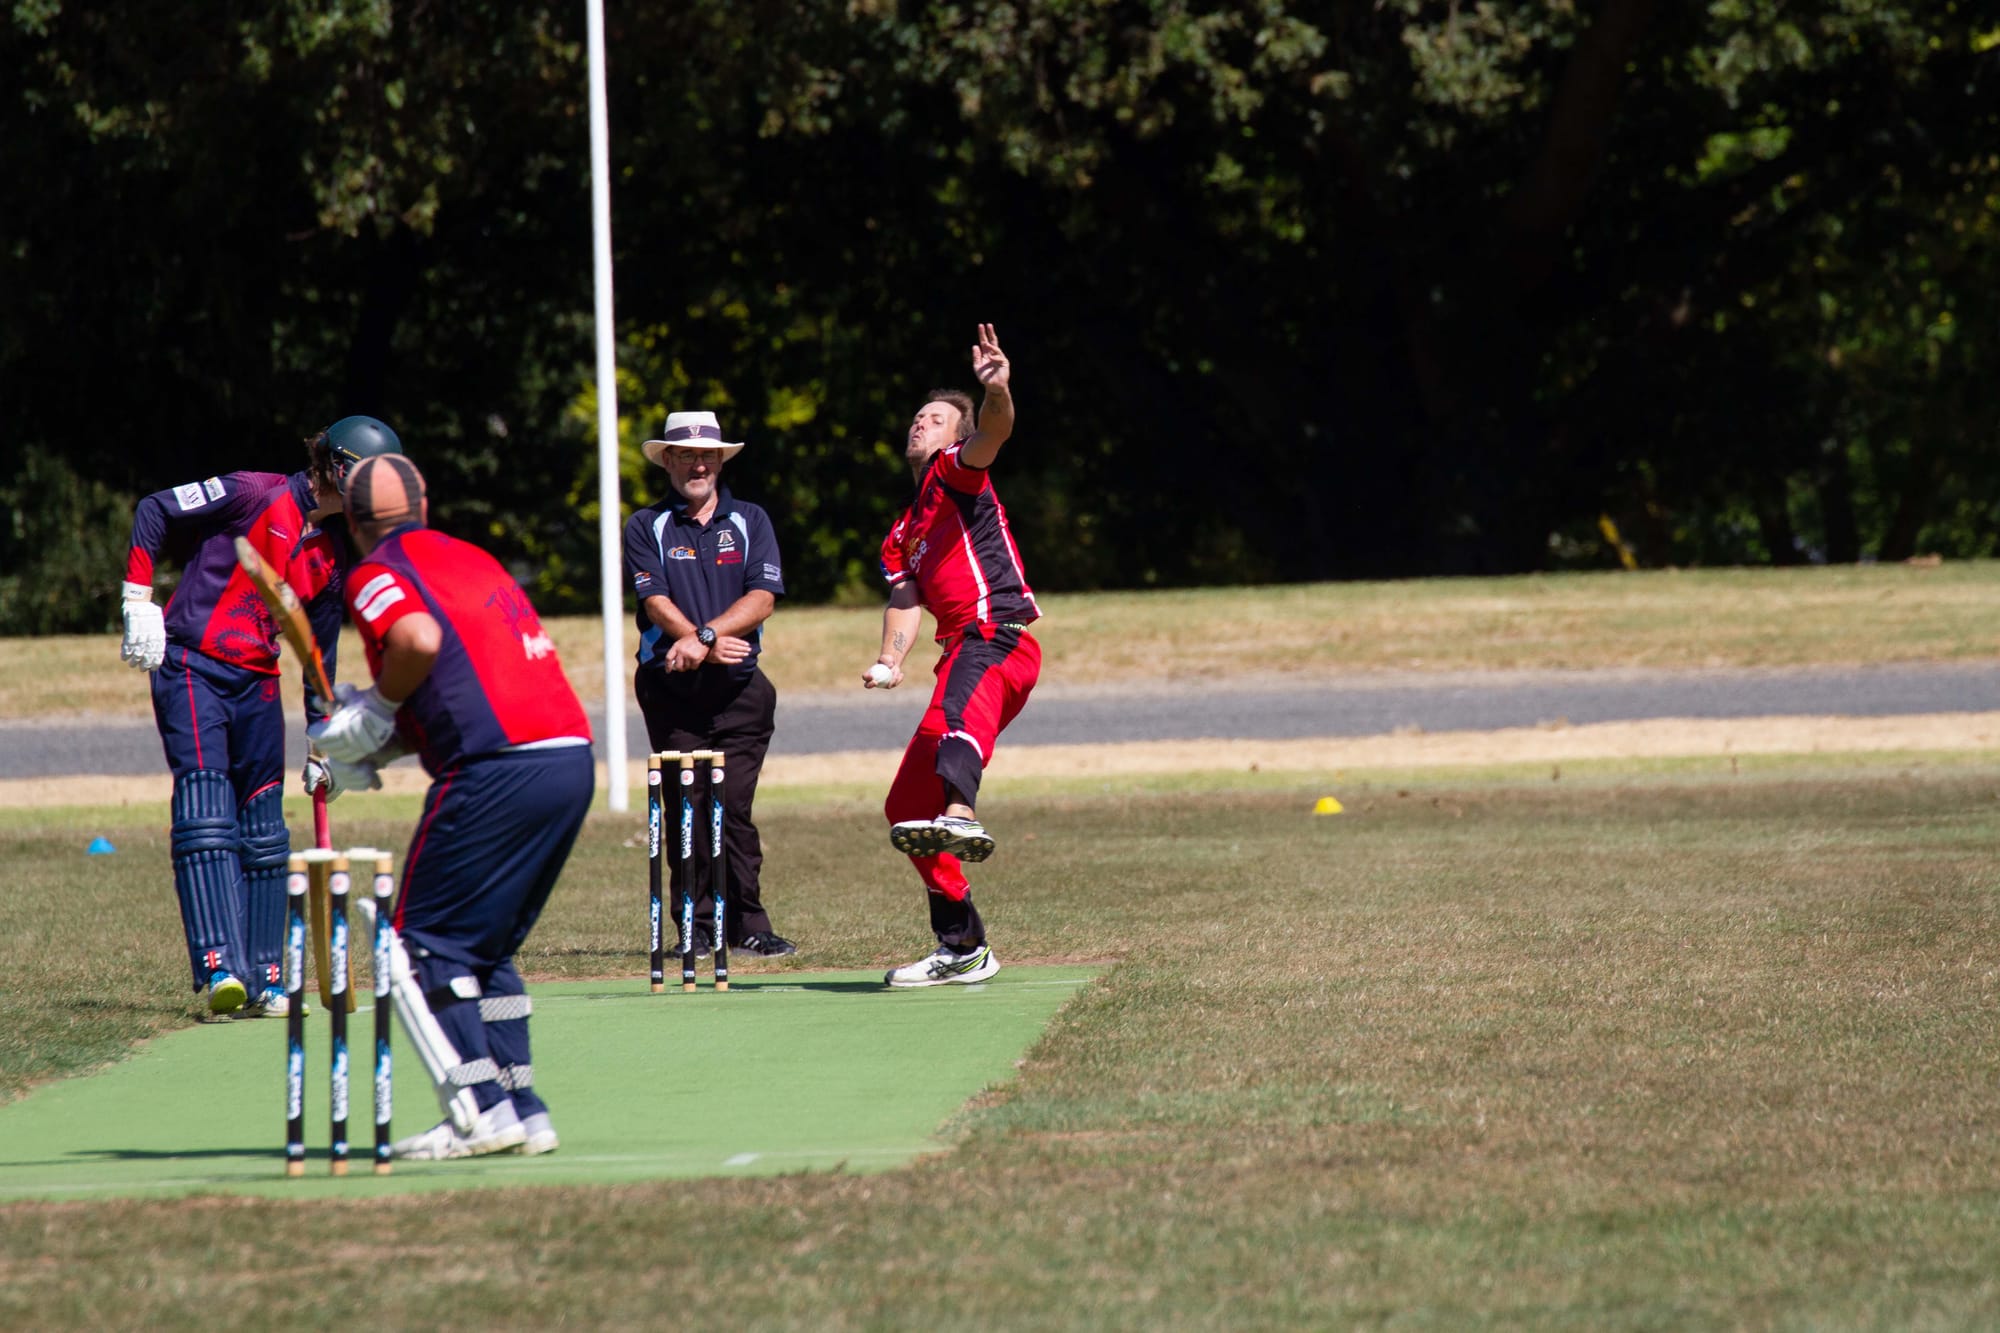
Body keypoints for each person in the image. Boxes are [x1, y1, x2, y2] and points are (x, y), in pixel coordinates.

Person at [313, 453, 593, 1160]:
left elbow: (418, 641)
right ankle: (523, 1108)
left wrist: (374, 707)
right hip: (567, 757)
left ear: (352, 523)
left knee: (422, 943)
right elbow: (460, 685)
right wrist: (373, 746)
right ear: (425, 506)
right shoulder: (473, 559)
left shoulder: (375, 572)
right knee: (484, 947)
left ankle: (478, 1109)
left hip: (496, 769)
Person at [120, 416, 402, 1016]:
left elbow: (317, 659)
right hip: (193, 664)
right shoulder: (254, 491)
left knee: (267, 829)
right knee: (206, 811)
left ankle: (266, 975)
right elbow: (155, 508)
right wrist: (138, 599)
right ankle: (221, 965)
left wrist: (324, 745)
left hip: (258, 681)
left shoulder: (330, 559)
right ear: (339, 467)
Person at [863, 324, 1042, 988]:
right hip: (959, 654)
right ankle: (963, 944)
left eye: (935, 418)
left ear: (952, 438)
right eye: (917, 416)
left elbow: (995, 432)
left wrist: (997, 390)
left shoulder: (955, 473)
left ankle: (962, 811)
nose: (920, 423)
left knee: (958, 725)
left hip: (997, 635)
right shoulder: (901, 531)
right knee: (906, 805)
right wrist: (891, 660)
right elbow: (905, 599)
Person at [623, 410, 795, 958]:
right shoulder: (646, 525)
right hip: (671, 690)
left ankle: (750, 923)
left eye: (707, 456)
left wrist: (705, 637)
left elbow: (762, 598)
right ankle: (695, 927)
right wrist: (699, 643)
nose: (698, 465)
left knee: (734, 808)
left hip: (741, 691)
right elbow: (654, 599)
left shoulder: (750, 520)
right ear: (668, 461)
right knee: (687, 806)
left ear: (720, 461)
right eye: (686, 455)